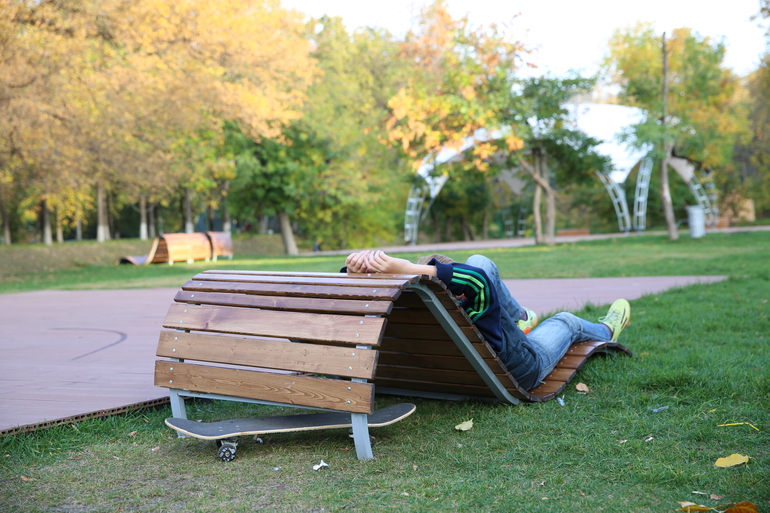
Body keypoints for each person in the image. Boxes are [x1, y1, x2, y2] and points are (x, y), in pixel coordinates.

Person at [343, 250, 630, 391]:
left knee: (480, 261)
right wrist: (410, 267)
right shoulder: (476, 310)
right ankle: (607, 329)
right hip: (520, 368)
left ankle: (520, 318)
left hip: (442, 369)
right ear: (459, 293)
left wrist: (354, 274)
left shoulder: (402, 308)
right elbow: (477, 280)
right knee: (566, 322)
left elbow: (353, 302)